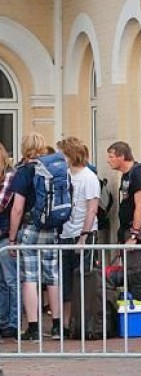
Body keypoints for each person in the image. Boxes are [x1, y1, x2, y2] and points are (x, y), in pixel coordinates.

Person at [7, 132, 62, 341]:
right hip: (51, 226)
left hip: (30, 227)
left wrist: (12, 238)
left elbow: (18, 209)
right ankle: (57, 325)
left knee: (29, 277)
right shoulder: (54, 169)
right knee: (52, 276)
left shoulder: (24, 172)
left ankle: (34, 327)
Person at [106, 141, 141, 333]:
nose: (108, 161)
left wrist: (134, 234)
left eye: (111, 156)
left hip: (139, 233)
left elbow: (140, 205)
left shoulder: (138, 174)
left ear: (121, 156)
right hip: (130, 231)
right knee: (140, 275)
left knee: (138, 276)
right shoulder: (127, 176)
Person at [58, 136, 100, 330]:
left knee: (83, 278)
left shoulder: (89, 177)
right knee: (64, 281)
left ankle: (83, 322)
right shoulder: (64, 175)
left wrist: (84, 236)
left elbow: (92, 209)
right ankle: (66, 323)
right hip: (65, 233)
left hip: (82, 233)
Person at [0, 143, 18, 338]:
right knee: (2, 282)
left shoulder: (10, 176)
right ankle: (3, 320)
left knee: (11, 281)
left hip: (6, 234)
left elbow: (2, 203)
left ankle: (12, 323)